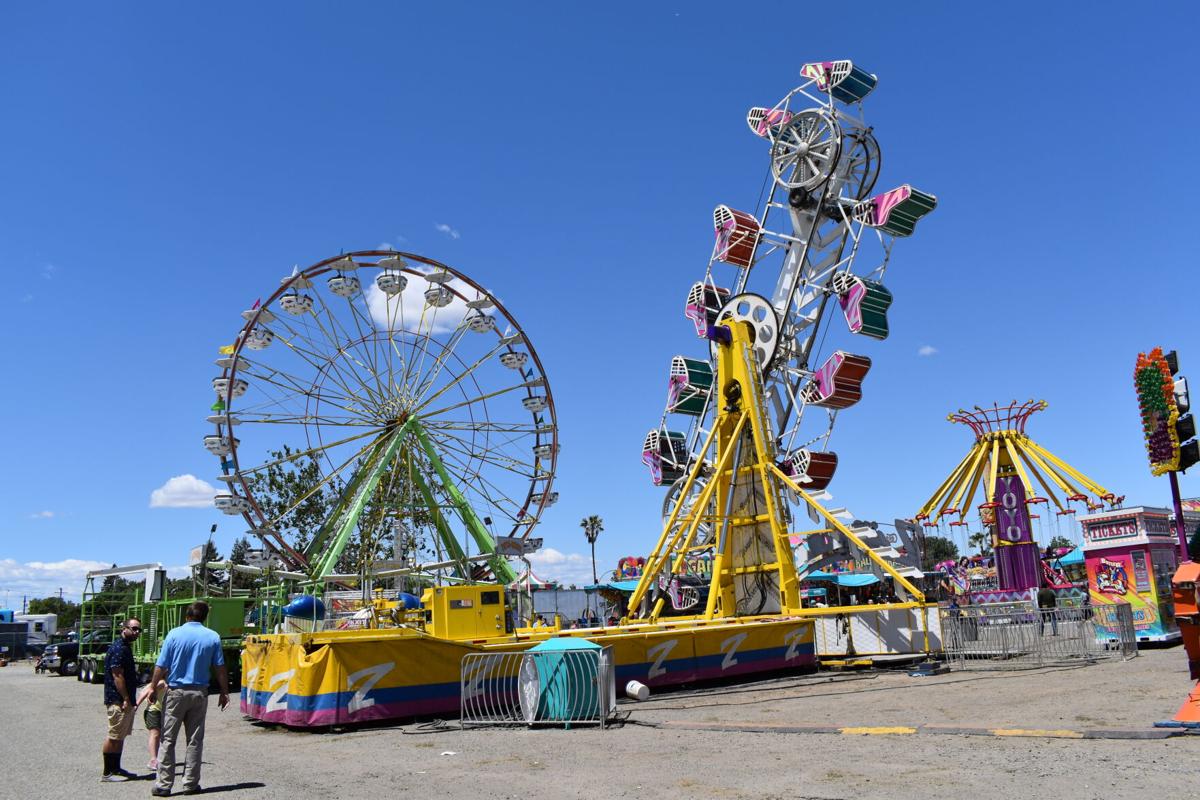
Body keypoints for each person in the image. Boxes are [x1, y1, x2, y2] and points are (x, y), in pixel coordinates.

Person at [151, 601, 229, 798]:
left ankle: (163, 785)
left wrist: (153, 687)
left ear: (187, 616)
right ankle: (190, 784)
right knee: (194, 739)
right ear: (204, 617)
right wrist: (224, 691)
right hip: (199, 692)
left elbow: (161, 665)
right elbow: (219, 667)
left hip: (176, 692)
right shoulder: (212, 637)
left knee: (168, 739)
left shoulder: (174, 634)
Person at [100, 617, 143, 782]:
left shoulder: (125, 647)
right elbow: (117, 675)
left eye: (139, 629)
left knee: (120, 736)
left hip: (125, 700)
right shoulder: (119, 648)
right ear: (124, 629)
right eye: (133, 628)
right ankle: (107, 773)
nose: (137, 632)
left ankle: (116, 768)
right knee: (114, 735)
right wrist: (125, 698)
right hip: (117, 700)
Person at [137, 677, 168, 770]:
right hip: (153, 711)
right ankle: (153, 760)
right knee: (155, 735)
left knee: (159, 736)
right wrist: (137, 704)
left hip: (162, 712)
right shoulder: (161, 682)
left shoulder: (168, 682)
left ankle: (157, 758)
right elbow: (146, 692)